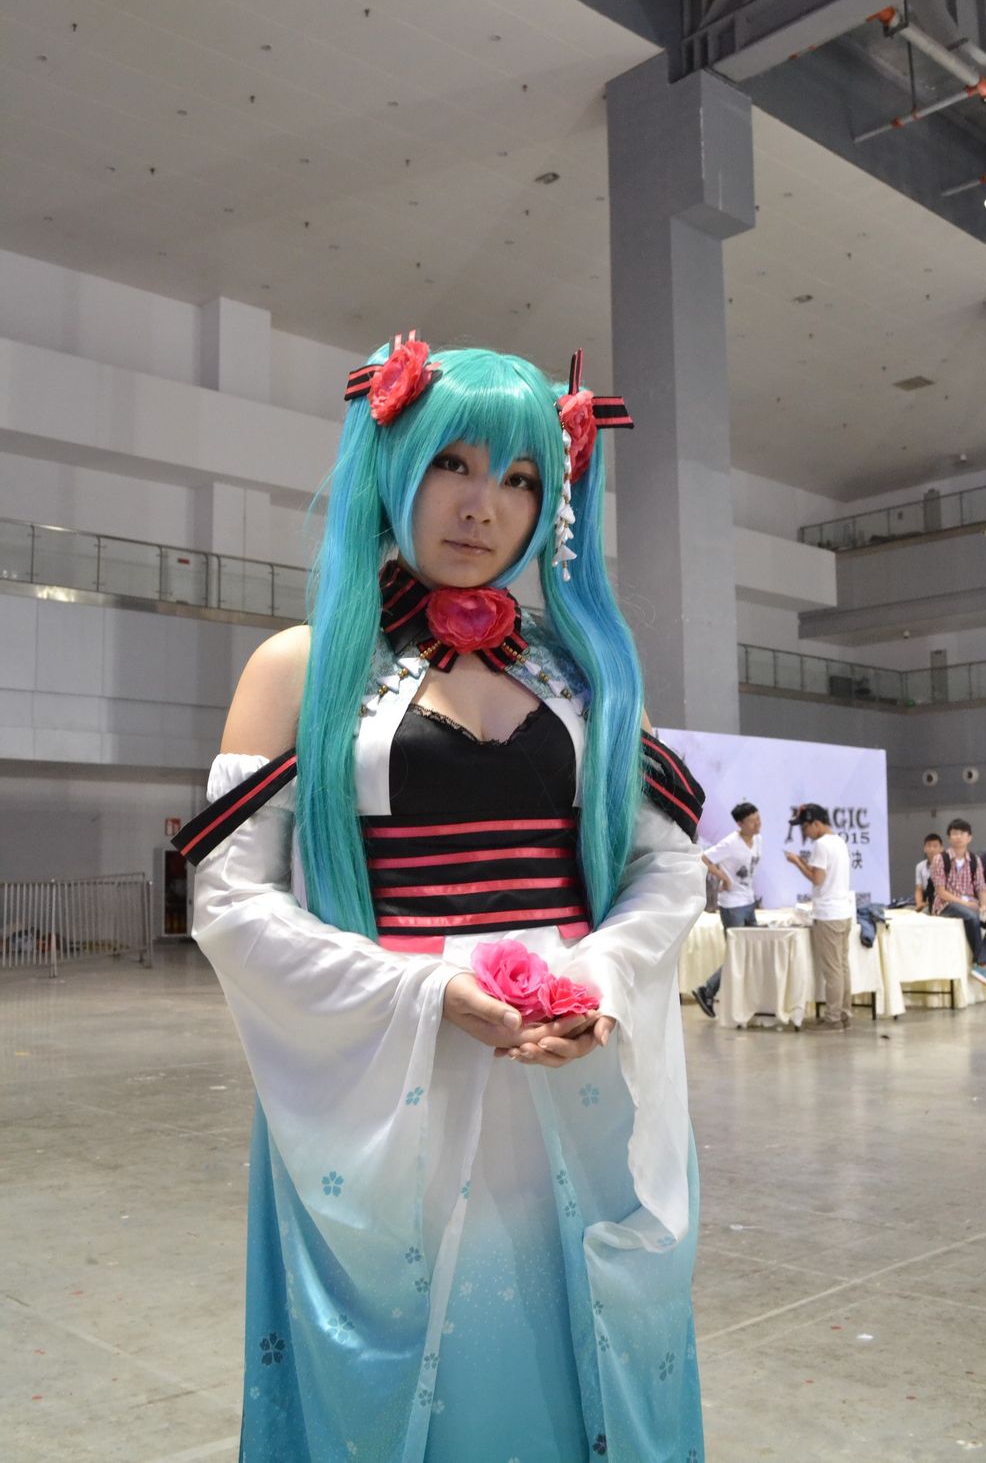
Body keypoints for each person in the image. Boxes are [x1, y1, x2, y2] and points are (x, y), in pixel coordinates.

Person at [175, 339, 708, 1461]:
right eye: (452, 464)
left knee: (577, 1363)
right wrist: (420, 993)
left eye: (519, 478)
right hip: (388, 1077)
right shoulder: (302, 665)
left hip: (571, 1072)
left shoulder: (591, 672)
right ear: (392, 465)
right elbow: (228, 896)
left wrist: (600, 981)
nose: (483, 506)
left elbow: (666, 869)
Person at [784, 803, 855, 1030]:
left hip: (828, 914)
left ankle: (833, 1018)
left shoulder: (821, 845)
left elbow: (817, 879)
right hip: (844, 912)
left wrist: (797, 862)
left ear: (816, 823)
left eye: (805, 827)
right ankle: (844, 1013)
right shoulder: (839, 841)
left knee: (833, 970)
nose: (804, 832)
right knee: (842, 966)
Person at [692, 801, 761, 1018]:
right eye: (752, 821)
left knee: (752, 951)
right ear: (740, 824)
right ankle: (707, 990)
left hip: (748, 902)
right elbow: (704, 858)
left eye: (758, 819)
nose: (757, 824)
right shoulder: (731, 843)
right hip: (732, 905)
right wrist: (723, 877)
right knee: (737, 953)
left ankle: (746, 999)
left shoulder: (758, 840)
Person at [928, 818, 986, 991]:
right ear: (949, 837)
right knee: (971, 917)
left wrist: (983, 906)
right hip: (946, 905)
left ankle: (983, 964)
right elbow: (940, 892)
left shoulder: (974, 860)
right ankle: (982, 964)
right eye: (954, 833)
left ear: (969, 837)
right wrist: (964, 903)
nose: (958, 837)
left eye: (962, 833)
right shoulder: (940, 859)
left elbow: (981, 887)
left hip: (971, 904)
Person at [914, 832, 943, 912]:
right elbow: (919, 889)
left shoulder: (946, 865)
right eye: (929, 846)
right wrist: (919, 903)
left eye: (935, 846)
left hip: (941, 901)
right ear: (924, 849)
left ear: (941, 848)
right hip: (926, 899)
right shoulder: (920, 866)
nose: (932, 849)